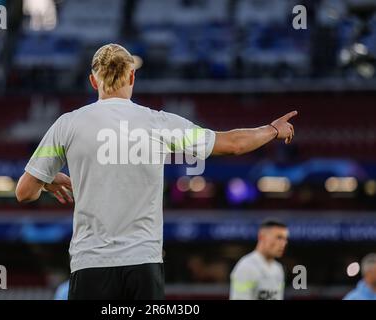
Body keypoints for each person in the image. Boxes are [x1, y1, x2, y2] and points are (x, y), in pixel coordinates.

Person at [15, 43, 297, 300]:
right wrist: (272, 130)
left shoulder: (67, 125)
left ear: (93, 81)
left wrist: (48, 180)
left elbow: (24, 192)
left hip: (90, 264)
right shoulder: (158, 122)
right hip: (143, 262)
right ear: (132, 78)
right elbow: (232, 145)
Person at [230, 219, 289, 300]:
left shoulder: (278, 269)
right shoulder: (246, 267)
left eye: (285, 239)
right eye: (279, 237)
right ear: (261, 237)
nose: (283, 243)